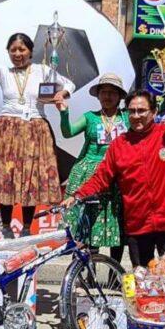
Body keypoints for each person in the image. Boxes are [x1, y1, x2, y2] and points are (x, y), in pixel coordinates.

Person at [63, 69, 165, 266]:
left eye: (142, 111)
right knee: (142, 284)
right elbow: (101, 177)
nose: (136, 116)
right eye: (132, 111)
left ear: (154, 112)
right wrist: (78, 194)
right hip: (139, 227)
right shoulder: (119, 145)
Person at [0, 8, 76, 234]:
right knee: (6, 178)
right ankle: (6, 226)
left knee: (31, 179)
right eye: (13, 50)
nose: (17, 53)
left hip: (35, 128)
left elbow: (70, 84)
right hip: (7, 128)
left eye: (22, 49)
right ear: (8, 52)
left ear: (30, 51)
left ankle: (28, 227)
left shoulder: (42, 70)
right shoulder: (4, 72)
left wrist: (62, 95)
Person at [57, 73, 130, 262]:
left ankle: (116, 273)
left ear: (120, 96)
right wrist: (64, 113)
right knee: (89, 223)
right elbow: (68, 132)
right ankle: (88, 275)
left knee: (117, 224)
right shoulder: (90, 117)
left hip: (118, 175)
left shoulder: (128, 118)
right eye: (104, 92)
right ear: (98, 95)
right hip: (89, 175)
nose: (107, 96)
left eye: (112, 92)